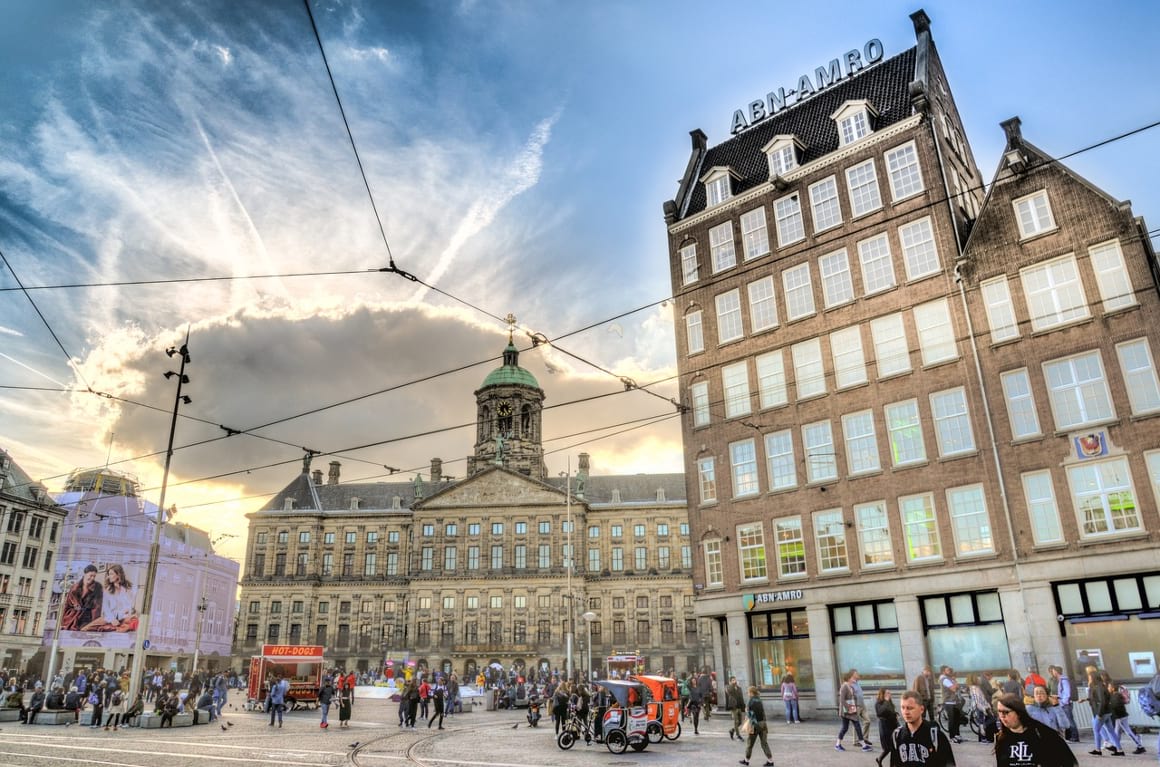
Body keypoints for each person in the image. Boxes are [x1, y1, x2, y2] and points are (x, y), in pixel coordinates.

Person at [994, 692, 1077, 766]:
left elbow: (1068, 761)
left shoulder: (1043, 733)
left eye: (1005, 712)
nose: (1002, 716)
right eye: (999, 712)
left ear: (1018, 712)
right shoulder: (1001, 738)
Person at [884, 690, 955, 766]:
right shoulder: (897, 735)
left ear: (921, 709)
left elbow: (949, 764)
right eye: (903, 707)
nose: (906, 712)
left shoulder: (935, 736)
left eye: (910, 708)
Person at [81, 565, 137, 632]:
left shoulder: (126, 589)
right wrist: (112, 619)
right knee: (85, 629)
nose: (108, 576)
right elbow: (106, 608)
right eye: (108, 574)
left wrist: (125, 613)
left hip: (122, 617)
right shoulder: (107, 590)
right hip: (109, 617)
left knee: (135, 621)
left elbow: (129, 605)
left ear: (118, 575)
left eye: (111, 574)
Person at [1105, 677, 1145, 754]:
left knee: (1128, 732)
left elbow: (1116, 706)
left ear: (1113, 688)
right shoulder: (1116, 695)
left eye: (1109, 687)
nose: (1108, 688)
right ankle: (1116, 746)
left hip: (1120, 717)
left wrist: (1110, 707)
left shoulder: (1115, 696)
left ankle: (1140, 746)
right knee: (1117, 732)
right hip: (1120, 717)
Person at [836, 669, 872, 752]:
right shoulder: (844, 686)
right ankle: (838, 744)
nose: (854, 679)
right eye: (852, 678)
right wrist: (849, 707)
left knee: (856, 726)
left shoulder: (851, 686)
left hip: (852, 710)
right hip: (846, 711)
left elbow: (853, 698)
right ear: (849, 678)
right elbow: (842, 699)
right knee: (845, 728)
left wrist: (855, 705)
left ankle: (863, 745)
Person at [738, 685, 774, 767]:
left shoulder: (750, 701)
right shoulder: (759, 700)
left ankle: (746, 761)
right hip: (763, 724)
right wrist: (764, 722)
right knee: (764, 743)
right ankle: (770, 761)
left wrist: (749, 722)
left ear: (751, 693)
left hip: (755, 725)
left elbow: (750, 715)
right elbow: (763, 713)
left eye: (748, 692)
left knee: (750, 744)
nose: (747, 694)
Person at [61, 564, 103, 631]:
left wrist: (93, 624)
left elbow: (97, 607)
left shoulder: (97, 587)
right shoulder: (74, 587)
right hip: (71, 618)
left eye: (94, 576)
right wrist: (63, 621)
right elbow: (67, 605)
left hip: (86, 619)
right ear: (85, 574)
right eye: (91, 575)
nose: (92, 578)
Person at [938, 665, 963, 744]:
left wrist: (954, 682)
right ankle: (952, 736)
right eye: (948, 670)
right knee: (952, 720)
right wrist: (954, 682)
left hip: (954, 701)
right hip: (949, 702)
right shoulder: (944, 679)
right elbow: (954, 688)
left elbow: (957, 686)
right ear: (943, 671)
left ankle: (957, 734)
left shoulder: (949, 679)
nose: (950, 671)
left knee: (956, 719)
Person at [876, 688, 899, 761]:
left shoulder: (889, 702)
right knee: (887, 748)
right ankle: (880, 759)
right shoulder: (878, 703)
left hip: (893, 725)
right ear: (883, 694)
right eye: (888, 693)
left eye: (890, 693)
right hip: (885, 727)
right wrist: (886, 701)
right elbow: (880, 713)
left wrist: (895, 714)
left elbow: (891, 712)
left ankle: (894, 763)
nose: (890, 694)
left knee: (894, 747)